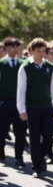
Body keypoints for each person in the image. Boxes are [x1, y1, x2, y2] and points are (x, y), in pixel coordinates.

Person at [17, 38, 53, 178]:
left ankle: (40, 157)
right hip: (32, 108)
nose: (41, 54)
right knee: (34, 138)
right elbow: (21, 90)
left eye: (43, 51)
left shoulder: (50, 67)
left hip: (47, 107)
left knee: (48, 136)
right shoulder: (25, 67)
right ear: (31, 51)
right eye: (38, 51)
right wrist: (21, 109)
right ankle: (36, 167)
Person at [0, 37, 26, 166]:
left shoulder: (23, 64)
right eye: (12, 46)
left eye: (17, 46)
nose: (16, 49)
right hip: (4, 102)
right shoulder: (1, 63)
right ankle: (1, 152)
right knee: (2, 130)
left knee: (20, 131)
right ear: (6, 48)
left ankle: (19, 157)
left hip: (19, 103)